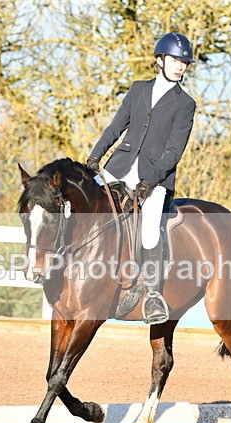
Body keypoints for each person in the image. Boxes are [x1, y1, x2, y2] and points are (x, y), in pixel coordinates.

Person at [86, 32, 196, 325]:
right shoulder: (137, 89)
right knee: (85, 206)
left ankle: (152, 294)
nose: (179, 66)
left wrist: (151, 180)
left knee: (149, 230)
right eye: (174, 60)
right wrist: (94, 158)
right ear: (159, 60)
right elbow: (115, 127)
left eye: (184, 62)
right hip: (119, 167)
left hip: (155, 179)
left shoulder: (185, 104)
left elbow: (174, 150)